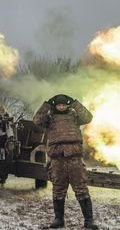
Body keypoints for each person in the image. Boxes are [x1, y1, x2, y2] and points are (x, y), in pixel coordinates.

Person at [33, 94, 98, 229]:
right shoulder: (49, 119)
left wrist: (75, 103)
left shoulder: (74, 117)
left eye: (64, 105)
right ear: (55, 106)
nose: (61, 107)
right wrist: (47, 104)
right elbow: (37, 121)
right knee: (58, 189)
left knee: (81, 189)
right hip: (57, 159)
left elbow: (88, 117)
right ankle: (59, 219)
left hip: (75, 158)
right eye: (59, 105)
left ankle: (89, 220)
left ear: (67, 105)